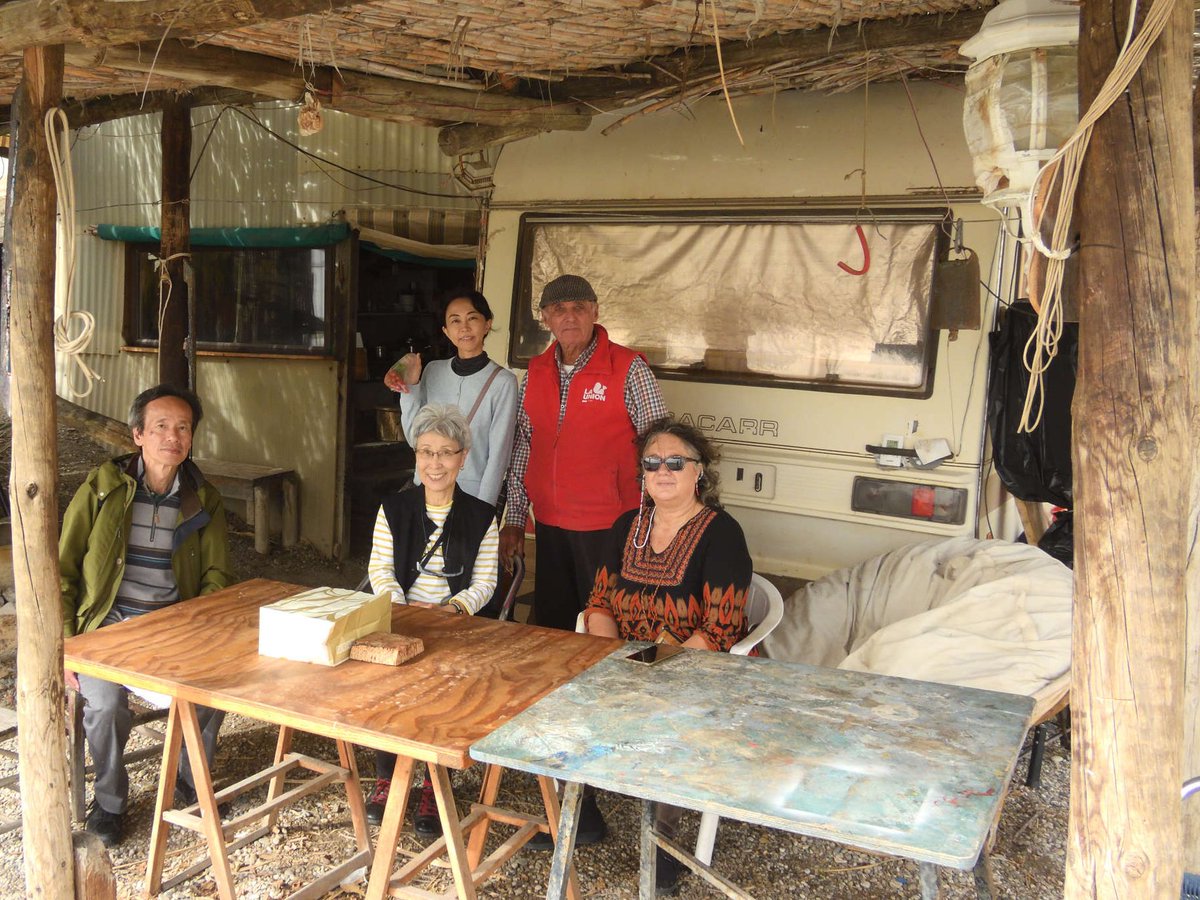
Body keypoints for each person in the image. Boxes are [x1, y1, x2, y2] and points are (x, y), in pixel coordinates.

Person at [582, 416, 753, 894]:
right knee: (561, 697)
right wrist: (606, 659)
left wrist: (650, 669)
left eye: (676, 462)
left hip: (692, 667)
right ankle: (584, 812)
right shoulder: (626, 527)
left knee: (666, 717)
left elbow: (720, 630)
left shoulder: (721, 533)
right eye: (652, 463)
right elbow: (598, 602)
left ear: (699, 472)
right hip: (624, 658)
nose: (663, 470)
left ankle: (665, 843)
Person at [60, 384, 234, 848]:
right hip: (106, 630)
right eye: (160, 427)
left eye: (182, 428)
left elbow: (217, 574)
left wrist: (199, 630)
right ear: (137, 434)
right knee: (106, 705)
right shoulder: (103, 488)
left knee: (211, 694)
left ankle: (187, 785)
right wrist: (67, 645)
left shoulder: (201, 499)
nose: (171, 437)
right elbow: (64, 569)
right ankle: (111, 802)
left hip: (174, 630)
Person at [499, 274, 667, 633]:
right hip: (549, 522)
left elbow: (660, 449)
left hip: (610, 524)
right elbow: (522, 448)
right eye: (559, 309)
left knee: (606, 623)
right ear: (545, 318)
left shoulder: (627, 368)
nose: (569, 317)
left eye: (578, 308)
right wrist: (514, 517)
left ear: (595, 311)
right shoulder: (536, 371)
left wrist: (656, 519)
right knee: (554, 623)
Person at [364, 403, 500, 836]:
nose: (434, 463)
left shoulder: (482, 516)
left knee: (444, 700)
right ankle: (387, 778)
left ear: (463, 457)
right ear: (416, 457)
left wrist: (451, 611)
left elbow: (485, 582)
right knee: (387, 696)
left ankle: (429, 784)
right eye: (426, 452)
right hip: (398, 618)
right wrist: (402, 612)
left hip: (455, 624)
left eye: (445, 453)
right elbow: (380, 570)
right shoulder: (393, 508)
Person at [385, 289, 518, 508]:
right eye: (455, 321)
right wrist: (410, 386)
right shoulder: (432, 371)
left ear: (487, 324)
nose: (464, 327)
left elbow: (499, 456)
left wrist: (482, 509)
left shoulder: (503, 382)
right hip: (427, 489)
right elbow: (414, 439)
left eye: (472, 318)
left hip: (470, 497)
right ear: (446, 331)